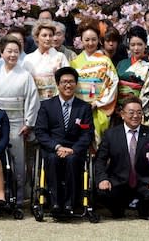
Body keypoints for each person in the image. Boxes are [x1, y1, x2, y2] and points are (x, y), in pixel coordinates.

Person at [35, 67, 94, 215]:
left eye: (71, 82)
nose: (68, 85)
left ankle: (70, 203)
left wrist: (73, 149)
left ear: (76, 84)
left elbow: (87, 134)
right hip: (54, 149)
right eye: (64, 82)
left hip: (74, 150)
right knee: (53, 159)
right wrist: (57, 147)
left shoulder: (84, 107)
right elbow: (40, 132)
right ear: (57, 84)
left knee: (72, 160)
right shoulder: (46, 106)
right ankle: (55, 202)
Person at [95, 96, 149, 219]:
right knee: (101, 192)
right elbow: (100, 160)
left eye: (139, 112)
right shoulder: (111, 134)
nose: (135, 116)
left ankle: (144, 210)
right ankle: (118, 210)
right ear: (122, 114)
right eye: (131, 112)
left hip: (145, 182)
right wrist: (103, 179)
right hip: (118, 182)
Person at [0, 35, 40, 207]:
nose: (12, 55)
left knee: (18, 160)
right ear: (1, 52)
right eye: (9, 51)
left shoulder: (25, 75)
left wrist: (28, 122)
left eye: (16, 51)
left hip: (16, 121)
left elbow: (32, 99)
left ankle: (18, 197)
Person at [70, 19, 118, 147]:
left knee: (99, 145)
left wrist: (97, 103)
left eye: (94, 39)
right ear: (81, 40)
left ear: (99, 40)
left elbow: (112, 83)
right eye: (87, 40)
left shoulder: (105, 61)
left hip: (98, 107)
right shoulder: (75, 62)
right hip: (78, 107)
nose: (90, 43)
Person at [116, 26, 149, 127]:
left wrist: (135, 109)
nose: (136, 48)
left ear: (145, 45)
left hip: (138, 110)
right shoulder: (122, 63)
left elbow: (148, 92)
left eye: (139, 44)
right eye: (133, 45)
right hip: (119, 110)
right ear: (129, 45)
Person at [23, 19, 69, 101]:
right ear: (37, 37)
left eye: (50, 35)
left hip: (56, 101)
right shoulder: (28, 59)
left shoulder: (60, 57)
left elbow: (67, 81)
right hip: (35, 101)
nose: (48, 38)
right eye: (44, 35)